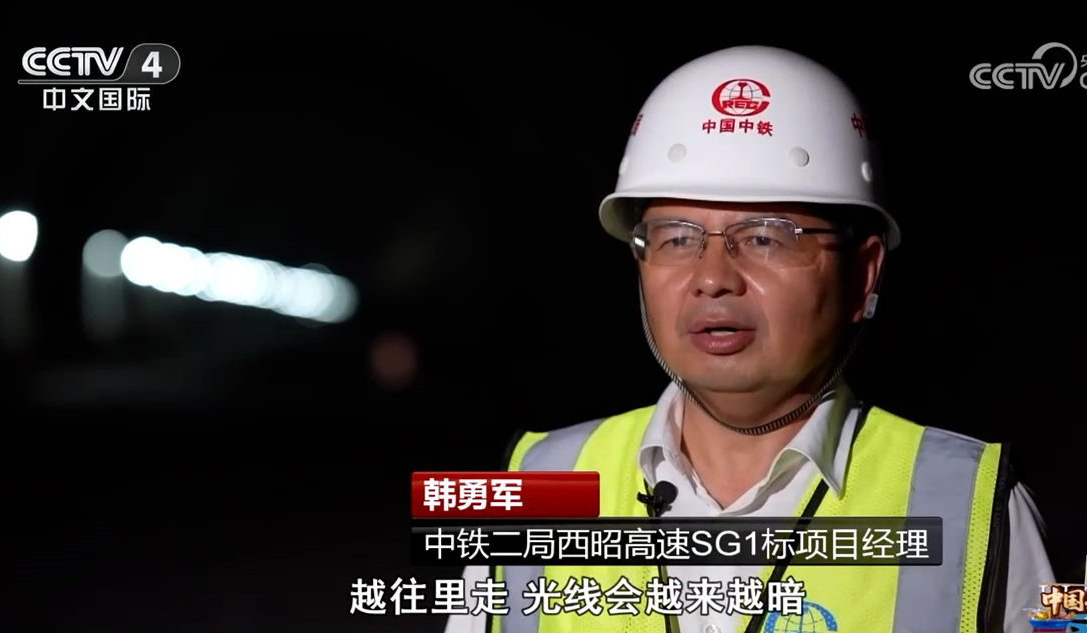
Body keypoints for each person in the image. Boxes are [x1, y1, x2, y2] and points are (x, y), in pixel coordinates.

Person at [444, 45, 1053, 633]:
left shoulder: (967, 505)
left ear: (863, 273)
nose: (712, 278)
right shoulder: (538, 485)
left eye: (766, 237)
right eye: (677, 238)